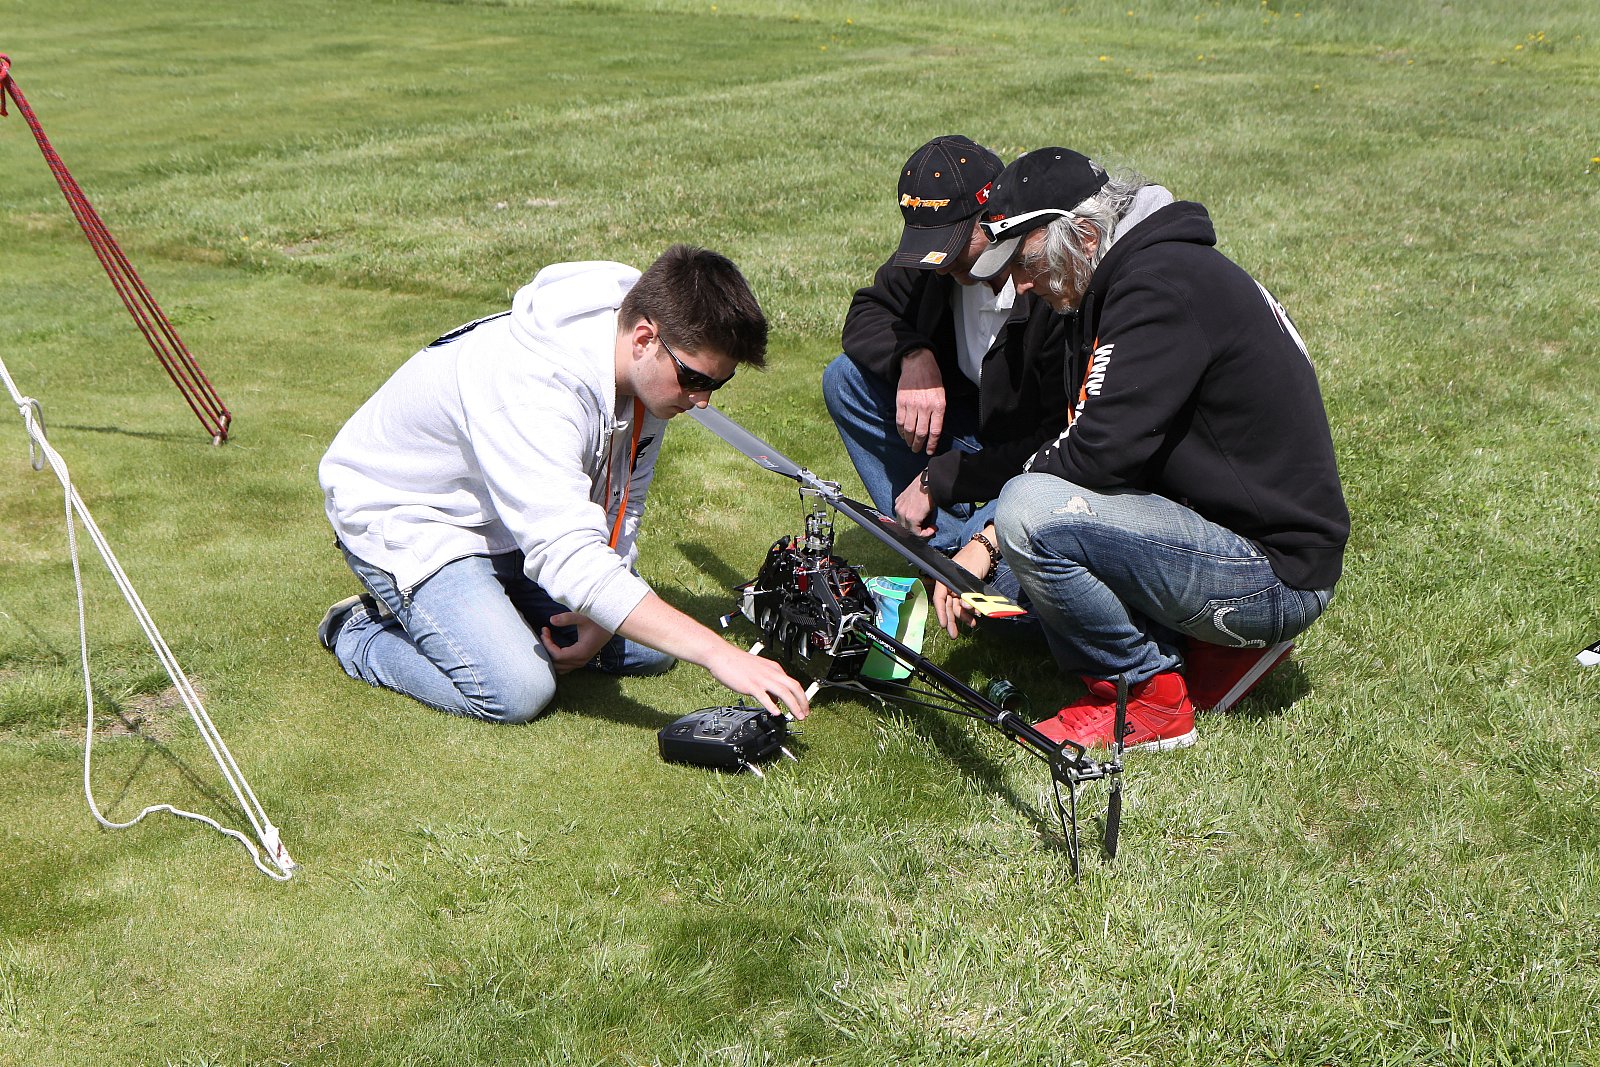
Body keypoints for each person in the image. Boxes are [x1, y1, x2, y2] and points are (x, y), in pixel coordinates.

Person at [933, 148, 1349, 751]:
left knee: (1028, 513)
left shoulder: (1158, 286)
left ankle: (1145, 696)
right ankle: (1210, 651)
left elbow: (1095, 453)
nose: (1020, 285)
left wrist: (990, 537)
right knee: (1014, 597)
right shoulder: (1127, 275)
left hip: (1275, 575)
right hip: (1237, 540)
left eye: (1024, 263)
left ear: (1081, 235)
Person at [317, 245, 809, 724]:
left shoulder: (646, 375)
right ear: (644, 339)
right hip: (412, 520)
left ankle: (494, 616)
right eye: (696, 379)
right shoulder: (533, 388)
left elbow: (624, 498)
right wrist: (720, 653)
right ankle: (359, 630)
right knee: (518, 689)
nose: (702, 400)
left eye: (716, 384)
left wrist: (603, 606)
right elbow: (566, 554)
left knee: (649, 650)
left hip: (512, 523)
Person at [823, 135, 1072, 589]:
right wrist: (913, 355)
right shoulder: (936, 265)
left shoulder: (1053, 286)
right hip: (968, 430)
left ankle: (975, 553)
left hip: (1037, 455)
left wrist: (937, 481)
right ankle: (941, 549)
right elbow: (867, 312)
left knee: (1007, 583)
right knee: (845, 379)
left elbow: (1060, 438)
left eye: (953, 244)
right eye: (929, 244)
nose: (939, 265)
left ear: (994, 215)